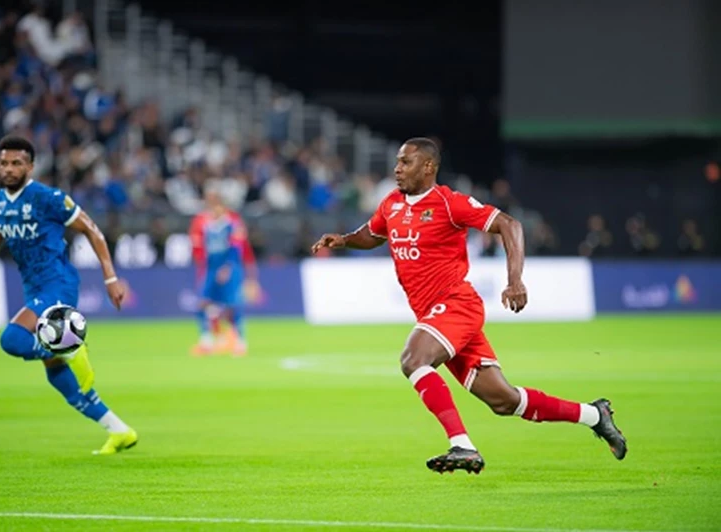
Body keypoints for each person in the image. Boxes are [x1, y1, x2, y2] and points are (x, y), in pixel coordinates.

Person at [311, 137, 627, 474]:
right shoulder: (392, 203)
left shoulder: (450, 203)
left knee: (413, 359)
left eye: (405, 162)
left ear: (428, 167)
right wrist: (344, 240)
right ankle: (594, 415)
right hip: (436, 317)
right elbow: (373, 234)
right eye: (398, 161)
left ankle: (462, 445)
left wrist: (515, 280)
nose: (397, 169)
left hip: (456, 305)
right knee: (504, 400)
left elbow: (510, 224)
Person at [0, 135, 138, 455]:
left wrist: (110, 277)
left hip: (58, 283)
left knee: (12, 339)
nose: (8, 169)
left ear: (30, 167)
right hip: (34, 288)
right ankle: (119, 430)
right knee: (55, 374)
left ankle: (69, 348)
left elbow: (92, 230)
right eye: (3, 163)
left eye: (16, 163)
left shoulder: (48, 197)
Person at [188, 190, 259, 356]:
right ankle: (206, 341)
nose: (214, 209)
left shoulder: (232, 223)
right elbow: (200, 248)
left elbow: (237, 247)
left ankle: (240, 342)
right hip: (211, 269)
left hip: (230, 269)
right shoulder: (205, 224)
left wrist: (228, 267)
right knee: (203, 303)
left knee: (232, 307)